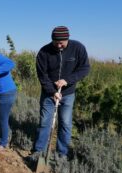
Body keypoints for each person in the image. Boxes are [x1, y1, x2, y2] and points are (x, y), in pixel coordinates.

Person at [32, 26, 90, 159]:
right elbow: (42, 76)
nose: (59, 45)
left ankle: (61, 153)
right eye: (55, 42)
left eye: (62, 42)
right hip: (48, 94)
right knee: (45, 122)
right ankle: (39, 150)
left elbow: (84, 68)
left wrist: (67, 80)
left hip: (68, 94)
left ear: (67, 39)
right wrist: (53, 92)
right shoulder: (44, 52)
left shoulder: (78, 48)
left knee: (65, 123)